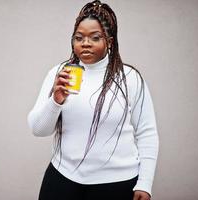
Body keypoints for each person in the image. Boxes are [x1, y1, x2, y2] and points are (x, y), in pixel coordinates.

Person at [28, 1, 159, 199]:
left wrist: (145, 183)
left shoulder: (130, 78)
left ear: (110, 41)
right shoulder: (60, 74)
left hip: (116, 183)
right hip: (63, 177)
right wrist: (55, 100)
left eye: (95, 37)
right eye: (79, 38)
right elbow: (38, 130)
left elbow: (147, 133)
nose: (85, 43)